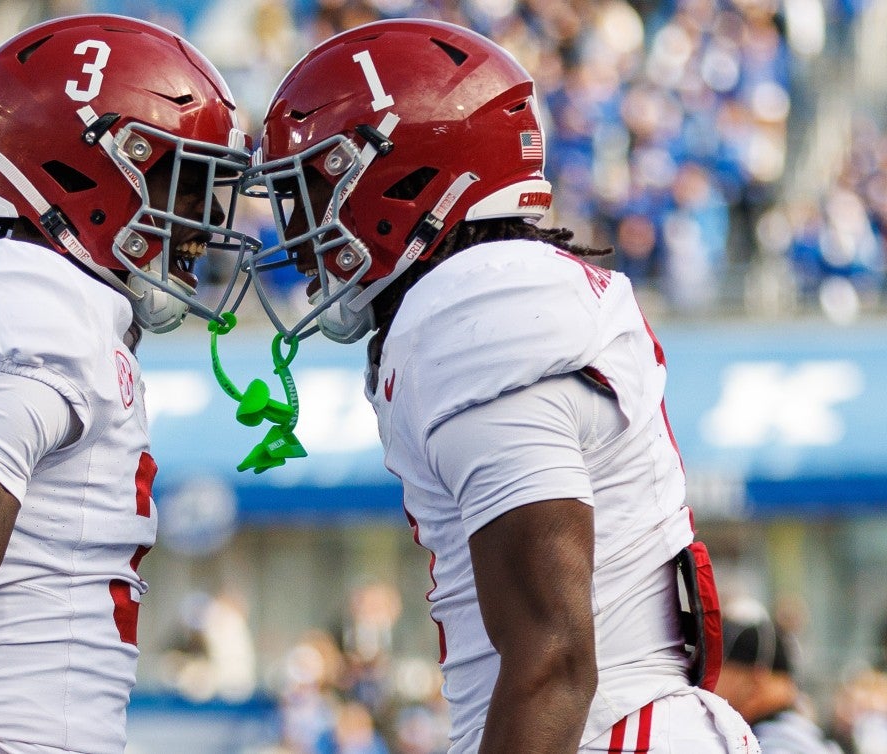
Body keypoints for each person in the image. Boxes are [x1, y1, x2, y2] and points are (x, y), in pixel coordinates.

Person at [239, 18, 760, 754]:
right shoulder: (504, 292)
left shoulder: (475, 308)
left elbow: (553, 659)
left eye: (320, 189)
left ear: (404, 177)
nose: (301, 233)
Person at [0, 14, 254, 754]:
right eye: (188, 183)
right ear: (91, 170)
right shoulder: (26, 297)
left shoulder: (62, 307)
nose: (203, 222)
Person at [715, 597, 843, 752]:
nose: (709, 681)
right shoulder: (794, 731)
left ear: (757, 677)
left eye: (719, 669)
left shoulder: (776, 743)